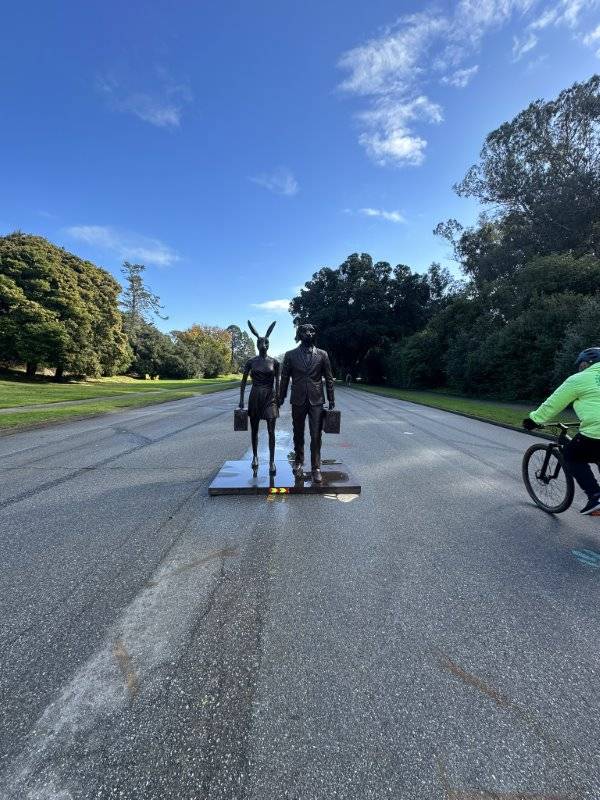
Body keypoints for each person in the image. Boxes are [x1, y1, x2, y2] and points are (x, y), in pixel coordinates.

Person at [523, 347, 600, 514]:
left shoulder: (579, 379)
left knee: (572, 455)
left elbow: (554, 402)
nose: (580, 368)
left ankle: (596, 496)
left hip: (597, 431)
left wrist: (534, 420)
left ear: (588, 363)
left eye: (581, 364)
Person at [279, 323, 335, 483]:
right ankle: (298, 461)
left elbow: (329, 377)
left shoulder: (322, 355)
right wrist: (281, 396)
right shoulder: (290, 355)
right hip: (298, 398)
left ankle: (316, 467)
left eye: (312, 331)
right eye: (305, 331)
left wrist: (331, 398)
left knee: (316, 434)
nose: (309, 333)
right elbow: (284, 378)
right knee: (298, 433)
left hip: (316, 400)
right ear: (299, 334)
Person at [239, 321, 280, 475]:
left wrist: (279, 398)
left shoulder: (275, 362)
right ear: (257, 344)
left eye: (266, 342)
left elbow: (279, 382)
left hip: (270, 397)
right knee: (254, 429)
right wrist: (242, 399)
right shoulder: (251, 362)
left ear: (269, 344)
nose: (263, 344)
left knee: (271, 430)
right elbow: (243, 381)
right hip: (255, 395)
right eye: (260, 342)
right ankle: (255, 456)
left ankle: (271, 460)